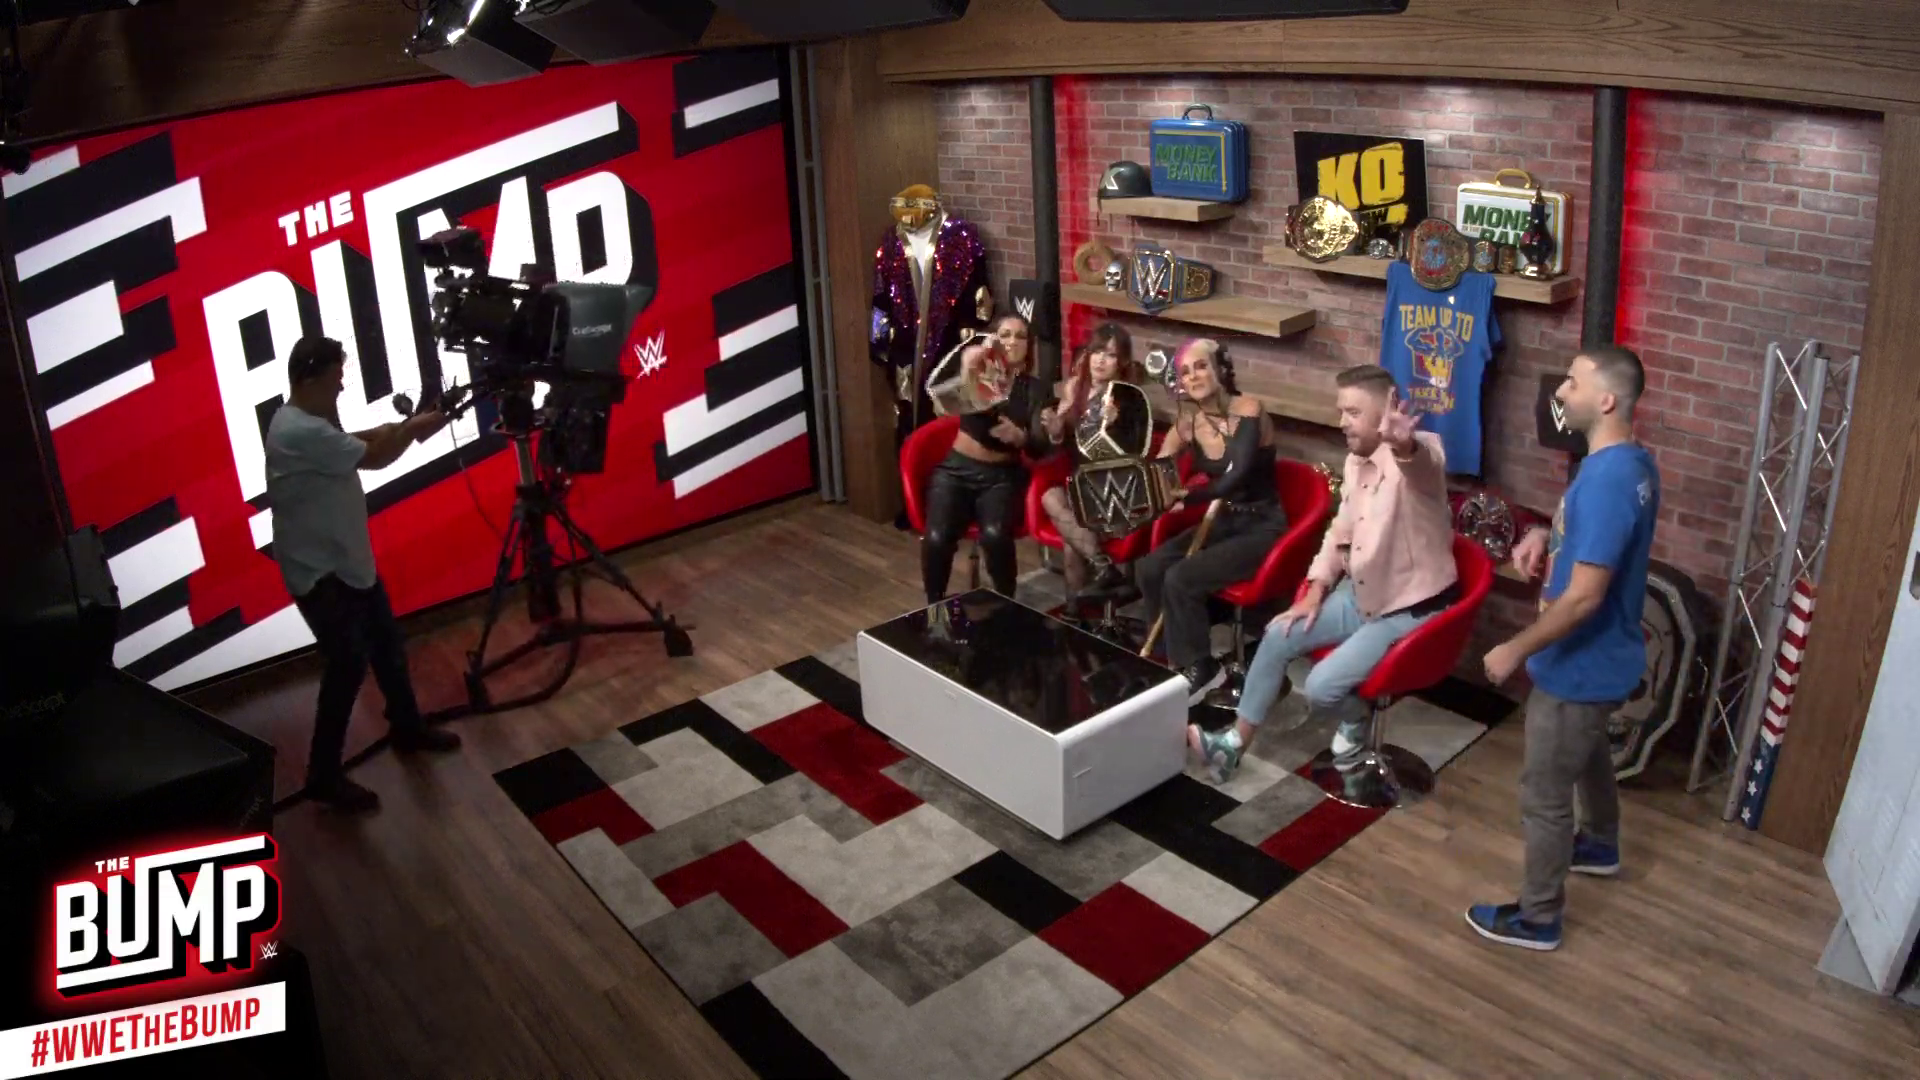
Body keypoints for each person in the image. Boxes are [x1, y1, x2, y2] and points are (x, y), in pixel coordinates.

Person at [1468, 346, 1660, 952]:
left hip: (1579, 663)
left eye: (1572, 383)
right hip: (1604, 661)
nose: (1560, 391)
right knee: (1589, 749)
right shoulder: (1630, 463)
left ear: (1605, 400)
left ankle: (1538, 917)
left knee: (1545, 794)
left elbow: (1583, 599)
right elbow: (1596, 537)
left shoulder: (1606, 481)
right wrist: (1543, 533)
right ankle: (1599, 844)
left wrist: (1514, 648)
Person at [1189, 364, 1459, 782]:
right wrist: (1315, 590)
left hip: (1406, 607)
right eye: (1341, 411)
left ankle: (1356, 717)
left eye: (1353, 412)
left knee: (1320, 688)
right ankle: (1232, 744)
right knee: (1278, 635)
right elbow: (1339, 532)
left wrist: (1404, 443)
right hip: (1360, 592)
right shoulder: (1354, 462)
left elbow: (1422, 465)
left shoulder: (1422, 451)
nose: (1342, 422)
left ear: (1385, 410)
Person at [266, 336, 460, 813]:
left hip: (347, 562)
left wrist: (405, 427)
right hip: (320, 573)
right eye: (336, 377)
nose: (342, 386)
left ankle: (407, 727)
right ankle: (322, 774)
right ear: (310, 377)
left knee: (387, 647)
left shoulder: (303, 422)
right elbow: (375, 457)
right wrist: (412, 429)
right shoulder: (301, 431)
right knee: (348, 664)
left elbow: (358, 439)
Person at [1133, 339, 1289, 702]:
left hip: (1262, 526)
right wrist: (1160, 486)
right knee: (1151, 567)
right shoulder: (1188, 422)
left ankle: (1203, 667)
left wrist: (1187, 497)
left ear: (1220, 369)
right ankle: (1169, 661)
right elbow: (1160, 465)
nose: (1194, 376)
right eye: (1185, 372)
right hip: (1223, 519)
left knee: (1181, 578)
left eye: (1201, 366)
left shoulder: (1249, 409)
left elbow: (1236, 475)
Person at [921, 313, 1044, 604]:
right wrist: (969, 367)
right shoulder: (977, 369)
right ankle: (934, 609)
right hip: (956, 471)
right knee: (937, 538)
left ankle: (1006, 605)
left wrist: (1021, 438)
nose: (1012, 341)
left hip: (1002, 476)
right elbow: (947, 399)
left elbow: (1039, 447)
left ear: (1029, 346)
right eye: (1005, 334)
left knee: (995, 535)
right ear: (993, 340)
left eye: (1020, 336)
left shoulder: (1035, 389)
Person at [1038, 322, 1139, 596]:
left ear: (1122, 362)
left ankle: (1075, 612)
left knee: (1072, 543)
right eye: (1097, 352)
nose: (1100, 360)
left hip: (1113, 491)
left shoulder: (1128, 398)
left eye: (1110, 355)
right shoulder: (1075, 387)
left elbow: (1132, 456)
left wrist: (1115, 428)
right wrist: (1055, 430)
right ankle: (1104, 568)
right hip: (1080, 486)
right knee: (1050, 497)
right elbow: (1060, 437)